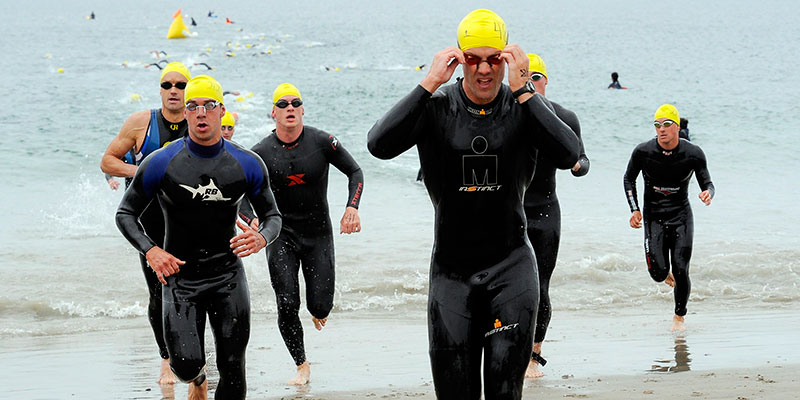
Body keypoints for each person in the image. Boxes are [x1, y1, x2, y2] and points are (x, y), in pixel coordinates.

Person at [367, 9, 580, 399]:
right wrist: (429, 82)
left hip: (511, 269)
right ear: (459, 58)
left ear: (507, 59)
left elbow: (571, 154)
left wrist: (525, 90)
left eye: (494, 59)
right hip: (451, 275)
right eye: (474, 59)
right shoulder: (436, 107)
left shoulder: (523, 106)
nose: (484, 70)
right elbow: (378, 145)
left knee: (504, 393)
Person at [116, 75, 282, 399]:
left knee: (233, 365)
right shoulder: (162, 162)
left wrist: (262, 238)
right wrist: (151, 251)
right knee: (185, 366)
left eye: (208, 106)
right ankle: (199, 377)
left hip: (228, 276)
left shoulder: (247, 163)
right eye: (193, 107)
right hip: (181, 278)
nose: (201, 113)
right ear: (187, 114)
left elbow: (273, 217)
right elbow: (125, 214)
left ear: (222, 111)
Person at [245, 83, 364, 385]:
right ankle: (301, 365)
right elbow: (241, 193)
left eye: (294, 103)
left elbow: (355, 172)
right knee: (286, 303)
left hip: (318, 235)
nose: (289, 108)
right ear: (273, 113)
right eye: (282, 104)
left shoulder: (323, 142)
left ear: (302, 110)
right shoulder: (260, 153)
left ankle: (318, 309)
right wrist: (250, 220)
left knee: (320, 306)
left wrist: (352, 207)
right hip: (281, 235)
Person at [100, 62, 191, 385]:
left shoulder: (199, 122)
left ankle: (193, 353)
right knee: (158, 291)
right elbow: (107, 161)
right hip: (148, 220)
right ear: (161, 90)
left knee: (192, 287)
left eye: (180, 85)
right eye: (167, 85)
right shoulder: (141, 123)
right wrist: (139, 172)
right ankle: (166, 359)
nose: (174, 91)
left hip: (187, 220)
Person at [522, 53, 590, 379]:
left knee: (541, 286)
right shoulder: (512, 116)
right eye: (526, 78)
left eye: (537, 78)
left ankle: (534, 355)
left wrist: (578, 165)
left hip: (546, 211)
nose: (532, 84)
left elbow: (583, 159)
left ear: (546, 81)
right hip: (511, 212)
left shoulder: (564, 117)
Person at [623, 104, 714, 332]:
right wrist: (634, 209)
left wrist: (707, 194)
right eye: (657, 125)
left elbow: (708, 183)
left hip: (681, 215)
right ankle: (665, 274)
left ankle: (679, 317)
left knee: (682, 269)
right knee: (658, 273)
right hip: (654, 217)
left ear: (676, 127)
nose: (661, 129)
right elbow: (628, 179)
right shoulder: (643, 152)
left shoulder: (693, 153)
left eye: (666, 125)